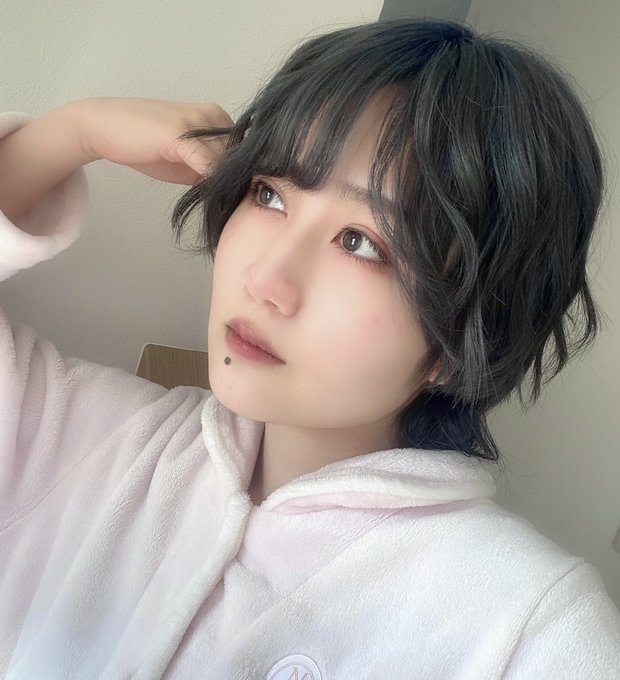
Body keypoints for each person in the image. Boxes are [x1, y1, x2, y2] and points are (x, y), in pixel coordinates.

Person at [0, 16, 619, 679]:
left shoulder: (530, 630)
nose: (265, 280)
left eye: (361, 243)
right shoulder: (86, 437)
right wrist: (74, 132)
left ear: (465, 340)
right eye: (269, 194)